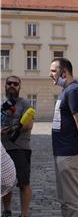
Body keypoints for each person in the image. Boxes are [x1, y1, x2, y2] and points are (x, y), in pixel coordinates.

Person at [49, 58, 78, 216]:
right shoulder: (66, 91)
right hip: (62, 152)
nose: (50, 75)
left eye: (53, 71)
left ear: (64, 72)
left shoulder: (74, 90)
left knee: (74, 202)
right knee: (65, 200)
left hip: (71, 154)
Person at [1, 75, 34, 217]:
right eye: (9, 83)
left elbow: (29, 125)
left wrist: (14, 128)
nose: (12, 86)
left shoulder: (25, 103)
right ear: (5, 85)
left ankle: (24, 214)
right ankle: (7, 211)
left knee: (23, 182)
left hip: (20, 148)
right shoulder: (2, 104)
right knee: (5, 183)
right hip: (3, 150)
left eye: (16, 84)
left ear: (20, 87)